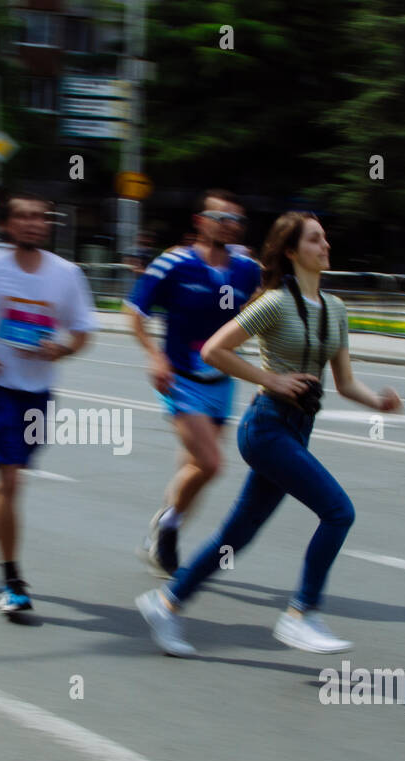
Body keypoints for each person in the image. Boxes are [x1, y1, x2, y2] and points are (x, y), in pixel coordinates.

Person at [136, 211, 402, 657]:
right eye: (315, 240)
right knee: (338, 512)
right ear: (292, 251)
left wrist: (379, 402)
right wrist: (272, 379)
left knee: (236, 535)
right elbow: (216, 349)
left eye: (325, 239)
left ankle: (165, 602)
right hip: (266, 427)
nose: (326, 246)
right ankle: (301, 614)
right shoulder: (275, 302)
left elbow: (344, 382)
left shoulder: (335, 309)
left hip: (298, 430)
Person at [0, 193, 98, 614]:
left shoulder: (66, 274)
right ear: (7, 225)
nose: (32, 223)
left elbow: (83, 331)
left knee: (9, 480)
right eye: (23, 216)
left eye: (40, 217)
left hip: (38, 392)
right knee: (9, 479)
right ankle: (14, 582)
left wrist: (60, 350)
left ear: (49, 225)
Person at [124, 190, 262, 577]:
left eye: (236, 220)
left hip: (222, 379)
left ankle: (164, 532)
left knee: (194, 471)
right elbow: (133, 312)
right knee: (211, 464)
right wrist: (155, 356)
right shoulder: (174, 262)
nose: (230, 226)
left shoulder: (246, 269)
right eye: (222, 217)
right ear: (201, 221)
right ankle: (166, 527)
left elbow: (259, 319)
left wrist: (262, 373)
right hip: (180, 379)